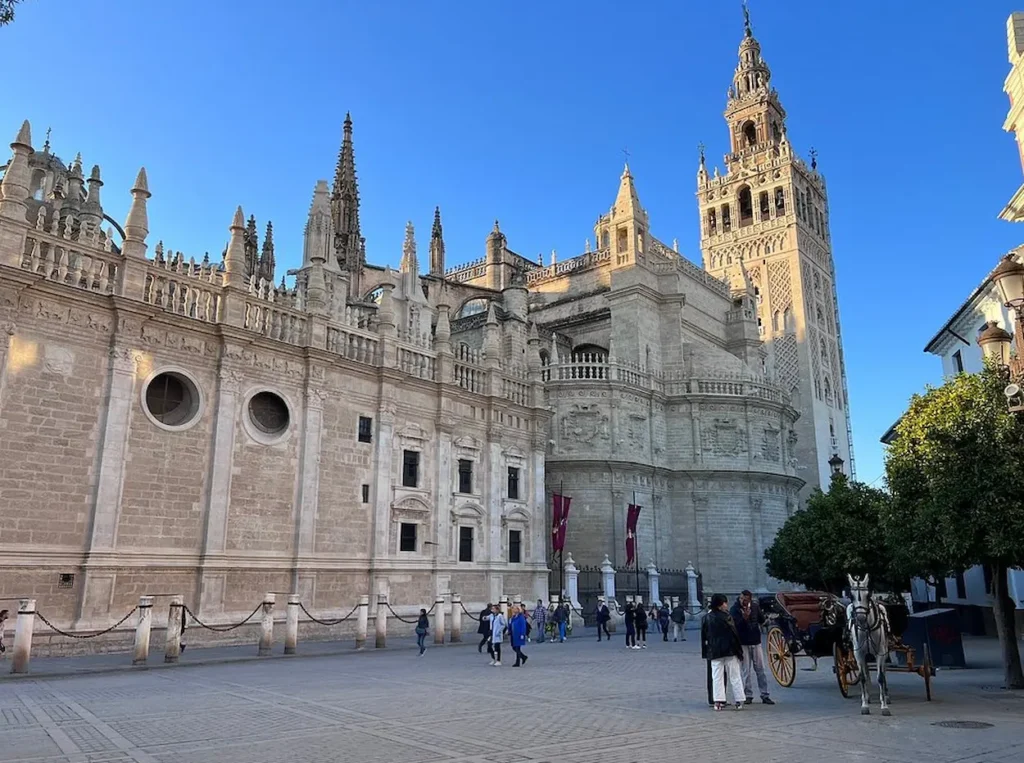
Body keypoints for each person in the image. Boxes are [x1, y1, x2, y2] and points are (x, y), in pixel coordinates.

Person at [702, 593, 745, 711]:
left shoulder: (706, 618)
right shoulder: (727, 617)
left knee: (716, 677)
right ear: (720, 605)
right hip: (730, 651)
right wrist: (739, 651)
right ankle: (739, 699)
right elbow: (734, 635)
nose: (727, 605)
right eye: (725, 602)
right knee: (735, 675)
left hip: (714, 651)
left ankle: (718, 701)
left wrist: (706, 652)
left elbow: (704, 637)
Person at [730, 590, 774, 704]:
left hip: (755, 641)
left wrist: (767, 621)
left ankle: (765, 694)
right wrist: (744, 618)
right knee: (746, 670)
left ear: (749, 599)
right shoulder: (735, 609)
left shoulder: (755, 607)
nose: (742, 601)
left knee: (760, 669)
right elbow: (734, 625)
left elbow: (761, 620)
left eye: (745, 599)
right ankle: (748, 694)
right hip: (743, 642)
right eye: (741, 599)